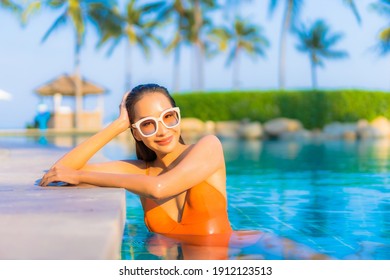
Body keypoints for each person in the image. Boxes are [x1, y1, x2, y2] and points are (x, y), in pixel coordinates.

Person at [39, 83, 329, 260]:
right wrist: (117, 125)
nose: (162, 130)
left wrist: (80, 177)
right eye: (147, 124)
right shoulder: (140, 171)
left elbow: (161, 188)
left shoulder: (207, 147)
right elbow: (59, 170)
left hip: (238, 251)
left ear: (178, 117)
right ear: (136, 133)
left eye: (168, 117)